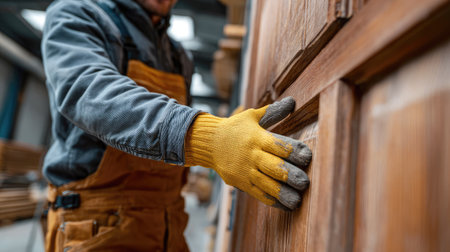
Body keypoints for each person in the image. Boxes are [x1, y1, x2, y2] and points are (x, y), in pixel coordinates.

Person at [41, 0, 312, 251]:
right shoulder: (77, 14)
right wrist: (208, 137)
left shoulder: (178, 55)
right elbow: (90, 93)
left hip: (168, 223)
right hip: (96, 227)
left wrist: (225, 128)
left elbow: (170, 126)